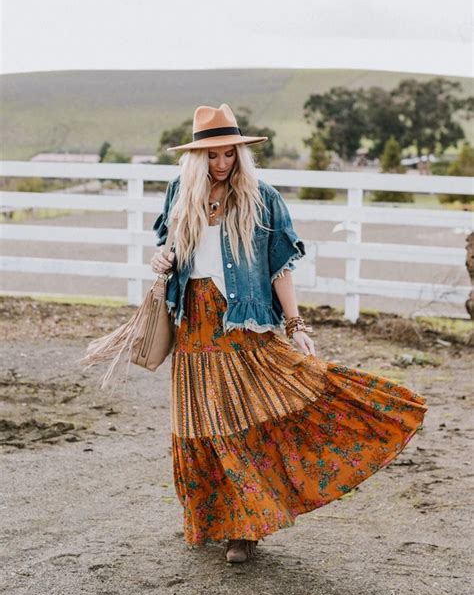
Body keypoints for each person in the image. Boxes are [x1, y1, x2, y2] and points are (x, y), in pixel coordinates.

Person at [151, 103, 428, 564]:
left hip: (244, 324)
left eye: (229, 155)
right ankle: (212, 518)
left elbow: (280, 267)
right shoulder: (180, 192)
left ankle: (245, 528)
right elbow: (170, 248)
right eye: (212, 156)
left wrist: (296, 324)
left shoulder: (262, 198)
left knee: (243, 422)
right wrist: (162, 259)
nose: (221, 164)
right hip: (194, 326)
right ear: (196, 158)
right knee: (199, 425)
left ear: (241, 154)